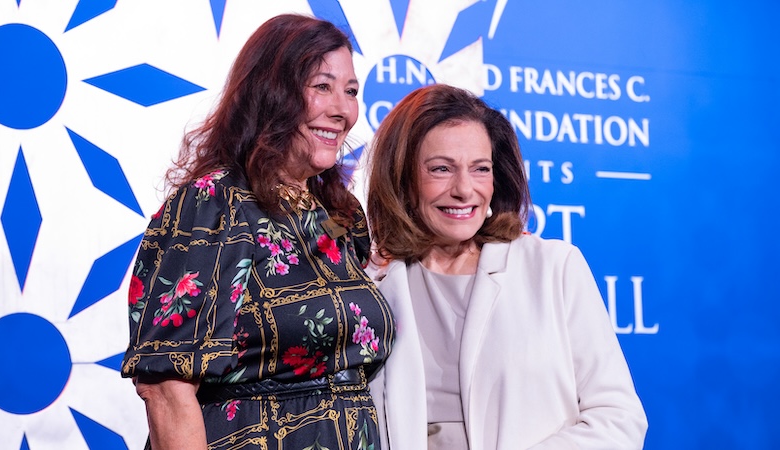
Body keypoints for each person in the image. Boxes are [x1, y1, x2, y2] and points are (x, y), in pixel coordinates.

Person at [121, 14, 395, 450]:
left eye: (350, 91)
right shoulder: (213, 204)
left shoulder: (340, 213)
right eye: (321, 86)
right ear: (271, 93)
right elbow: (165, 386)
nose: (343, 110)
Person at [365, 84, 647, 449]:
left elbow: (619, 418)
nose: (464, 189)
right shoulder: (371, 283)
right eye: (441, 169)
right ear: (402, 178)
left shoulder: (552, 268)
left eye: (480, 169)